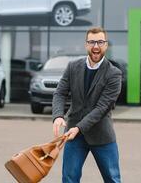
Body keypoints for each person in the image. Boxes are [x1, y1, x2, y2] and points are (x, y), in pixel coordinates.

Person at [52, 27, 122, 183]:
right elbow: (59, 93)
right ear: (86, 45)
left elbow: (102, 108)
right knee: (69, 179)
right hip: (73, 136)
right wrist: (57, 116)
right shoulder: (72, 67)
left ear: (106, 45)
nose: (95, 46)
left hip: (101, 135)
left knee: (113, 179)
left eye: (100, 42)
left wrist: (78, 128)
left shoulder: (114, 74)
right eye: (91, 42)